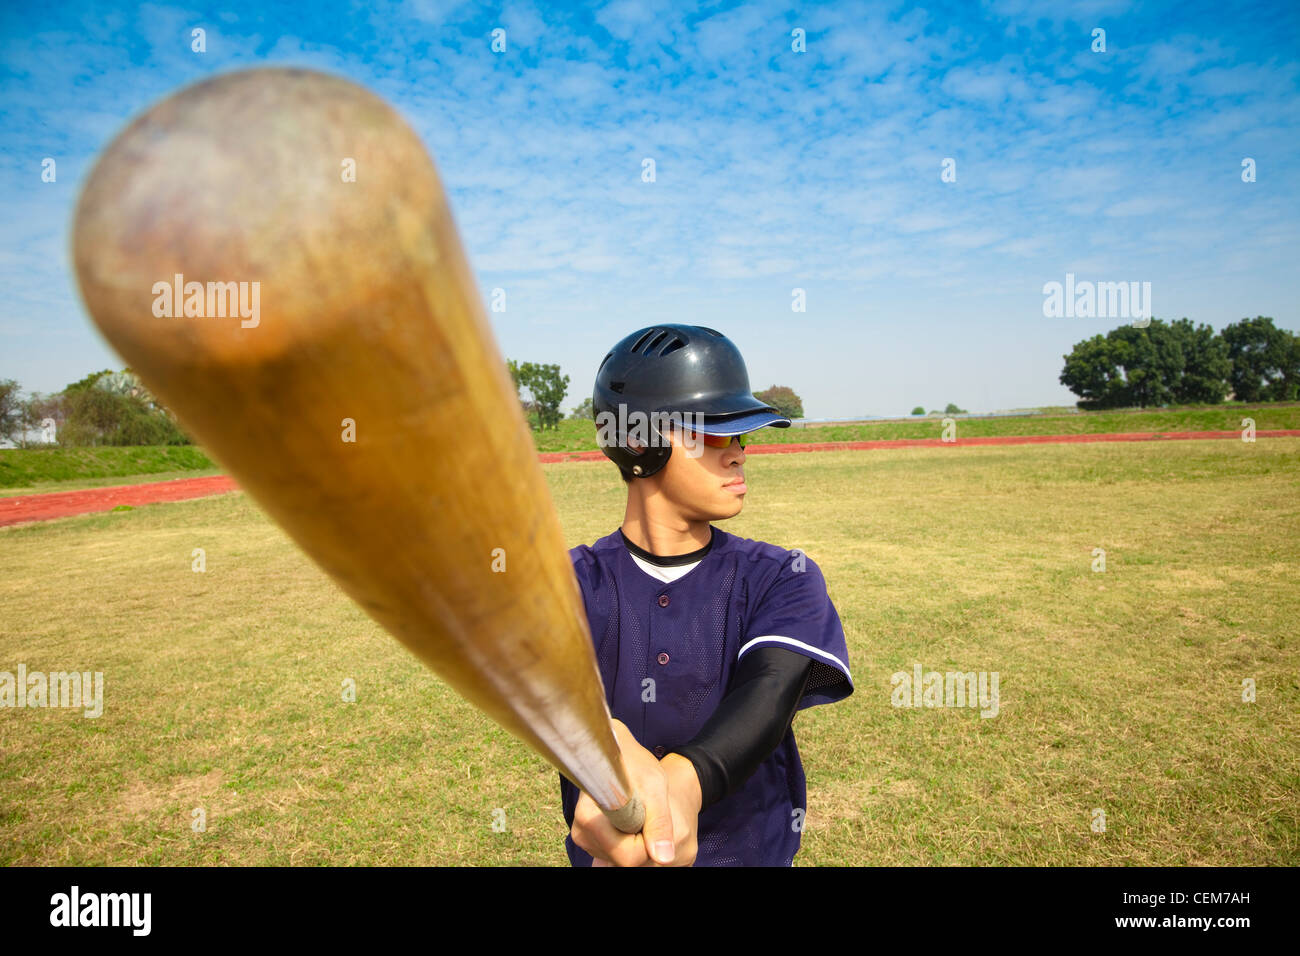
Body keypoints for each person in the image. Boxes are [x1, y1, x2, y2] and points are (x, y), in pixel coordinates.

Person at [560, 323, 854, 866]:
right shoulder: (570, 581)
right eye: (713, 432)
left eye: (743, 435)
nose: (739, 453)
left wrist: (684, 782)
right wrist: (609, 742)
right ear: (636, 439)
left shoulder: (781, 575)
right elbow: (548, 687)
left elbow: (769, 690)